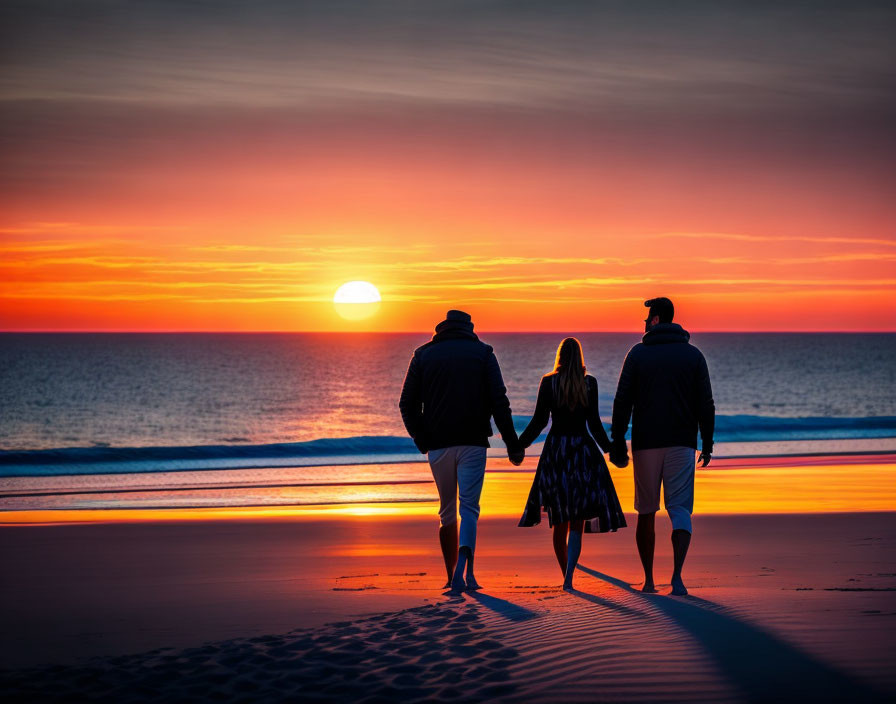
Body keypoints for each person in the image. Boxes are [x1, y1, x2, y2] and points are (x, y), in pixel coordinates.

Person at [399, 310, 524, 593]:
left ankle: (449, 575)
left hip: (439, 444)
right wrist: (512, 443)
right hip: (473, 442)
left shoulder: (422, 355)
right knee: (469, 509)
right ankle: (468, 574)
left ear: (442, 328)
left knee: (446, 511)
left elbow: (406, 403)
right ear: (469, 327)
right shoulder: (483, 353)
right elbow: (499, 402)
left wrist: (421, 438)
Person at [610, 297, 715, 596]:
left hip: (646, 443)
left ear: (655, 320)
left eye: (646, 318)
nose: (643, 323)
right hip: (682, 442)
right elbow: (705, 404)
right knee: (680, 509)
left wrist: (618, 440)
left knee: (646, 510)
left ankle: (649, 580)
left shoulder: (638, 354)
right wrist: (706, 442)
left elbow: (622, 401)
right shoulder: (694, 356)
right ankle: (678, 578)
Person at [518, 337, 627, 590]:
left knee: (559, 519)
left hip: (557, 453)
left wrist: (519, 444)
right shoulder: (589, 384)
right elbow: (595, 424)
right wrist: (610, 449)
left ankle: (565, 576)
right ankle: (569, 577)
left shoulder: (548, 383)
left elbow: (539, 422)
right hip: (582, 453)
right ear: (579, 357)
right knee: (577, 518)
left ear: (559, 357)